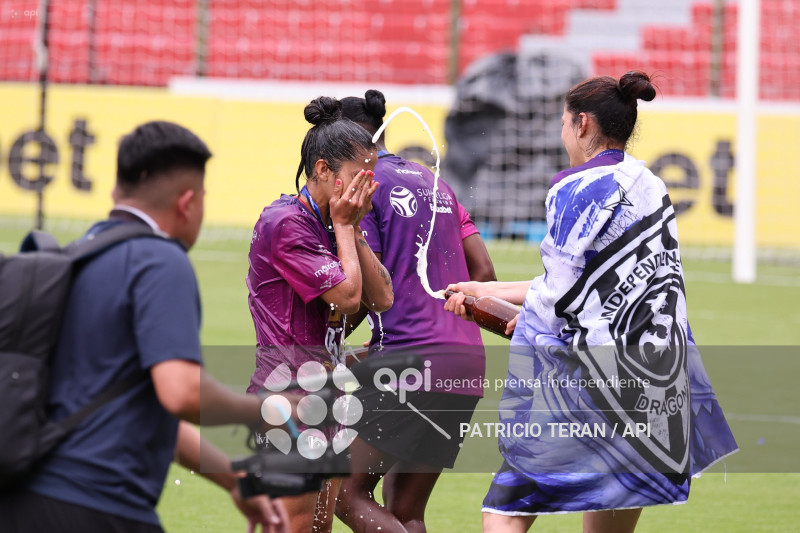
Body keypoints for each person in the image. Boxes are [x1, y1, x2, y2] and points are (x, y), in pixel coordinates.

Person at [444, 71, 737, 533]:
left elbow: (555, 299)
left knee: (505, 506)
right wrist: (487, 290)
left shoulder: (573, 189)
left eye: (563, 122)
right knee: (610, 514)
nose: (562, 133)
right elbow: (580, 285)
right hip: (656, 380)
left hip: (591, 384)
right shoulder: (651, 185)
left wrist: (493, 313)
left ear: (581, 123)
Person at [0, 121, 290, 532]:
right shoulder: (160, 260)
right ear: (187, 202)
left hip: (23, 501)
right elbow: (180, 390)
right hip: (99, 508)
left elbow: (141, 411)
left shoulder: (75, 258)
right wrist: (263, 410)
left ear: (116, 190)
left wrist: (236, 480)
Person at [334, 89, 497, 533]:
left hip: (410, 362)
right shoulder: (434, 181)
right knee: (405, 511)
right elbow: (482, 271)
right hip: (465, 365)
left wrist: (329, 345)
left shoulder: (363, 184)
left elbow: (371, 283)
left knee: (341, 489)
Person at [246, 96, 394, 533]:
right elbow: (349, 300)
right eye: (357, 177)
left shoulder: (334, 221)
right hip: (287, 397)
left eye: (372, 176)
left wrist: (354, 226)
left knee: (317, 528)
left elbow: (381, 297)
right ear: (324, 171)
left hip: (322, 397)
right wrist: (348, 227)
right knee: (295, 527)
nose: (368, 188)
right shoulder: (286, 222)